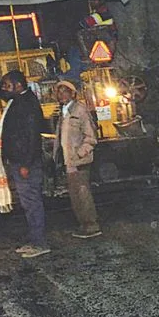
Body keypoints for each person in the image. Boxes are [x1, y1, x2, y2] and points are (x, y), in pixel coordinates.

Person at [0, 71, 50, 258]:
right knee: (28, 203)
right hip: (19, 160)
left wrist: (26, 163)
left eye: (7, 85)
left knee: (32, 202)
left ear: (18, 86)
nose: (4, 89)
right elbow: (3, 93)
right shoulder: (18, 100)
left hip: (26, 162)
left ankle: (40, 243)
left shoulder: (27, 105)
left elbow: (33, 136)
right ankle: (35, 239)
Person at [54, 81, 102, 239]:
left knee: (82, 193)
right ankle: (83, 224)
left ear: (72, 93)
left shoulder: (80, 110)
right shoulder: (63, 112)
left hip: (79, 161)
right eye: (58, 92)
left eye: (64, 91)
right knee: (75, 194)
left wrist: (80, 154)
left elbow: (91, 137)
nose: (61, 95)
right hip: (70, 161)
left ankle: (91, 225)